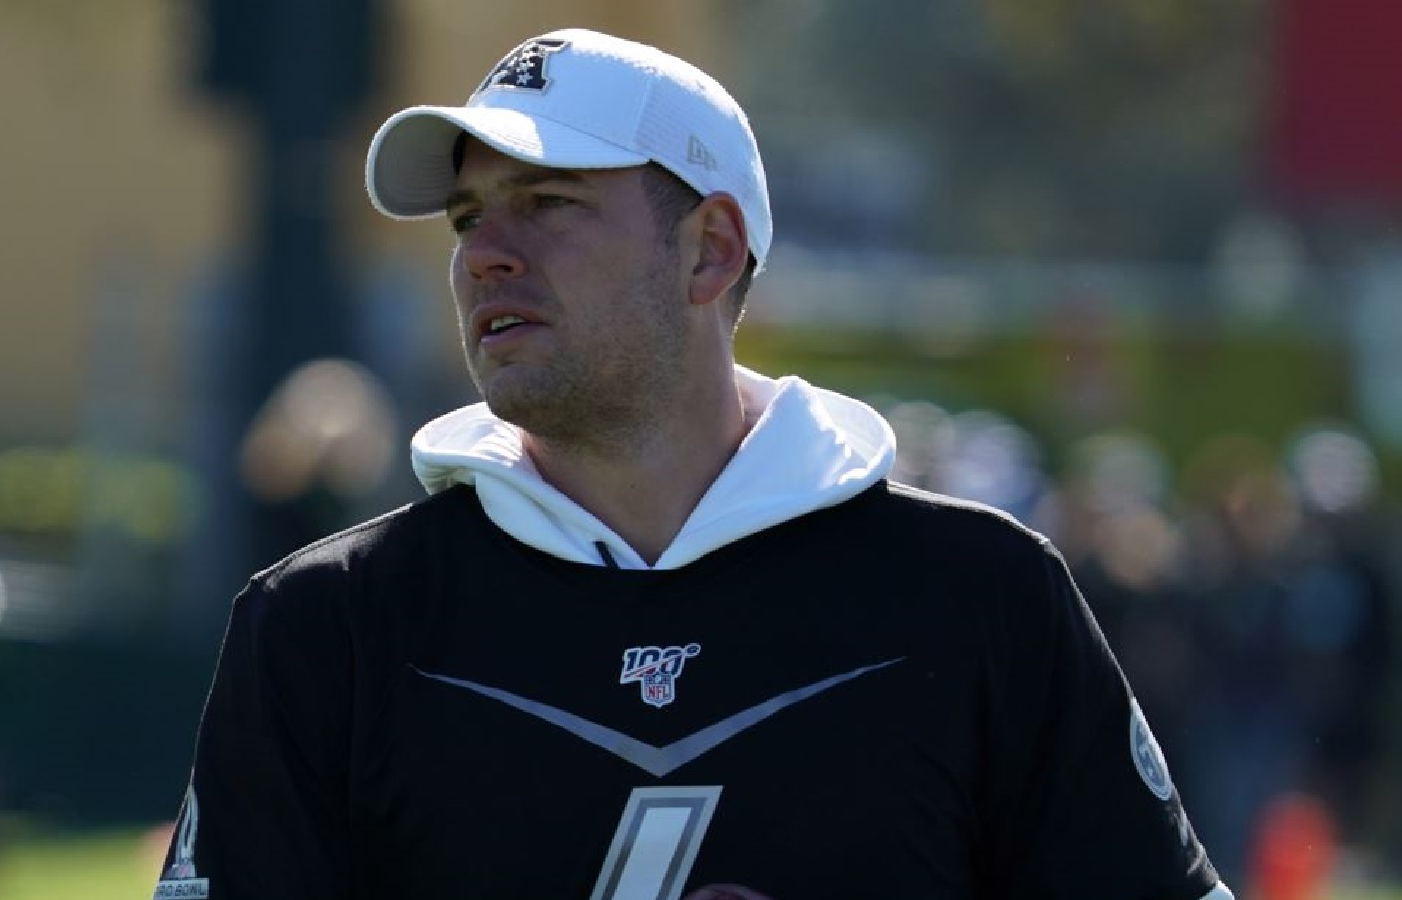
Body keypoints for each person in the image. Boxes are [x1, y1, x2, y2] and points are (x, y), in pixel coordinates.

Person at [155, 27, 1234, 900]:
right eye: (469, 216)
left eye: (549, 204)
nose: (485, 252)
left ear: (710, 249)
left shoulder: (980, 593)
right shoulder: (325, 622)